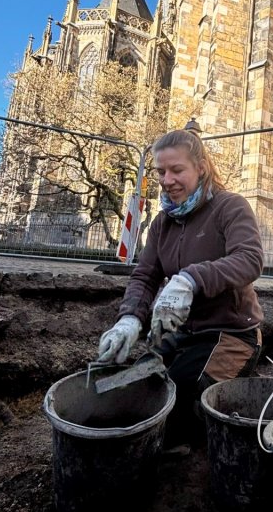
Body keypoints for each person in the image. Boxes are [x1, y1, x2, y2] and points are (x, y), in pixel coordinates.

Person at [96, 129, 264, 442]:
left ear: (200, 168)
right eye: (161, 171)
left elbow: (250, 259)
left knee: (180, 398)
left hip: (230, 334)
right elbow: (146, 275)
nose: (167, 179)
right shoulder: (163, 222)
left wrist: (191, 279)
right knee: (140, 386)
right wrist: (130, 319)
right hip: (183, 333)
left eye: (177, 170)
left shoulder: (230, 207)